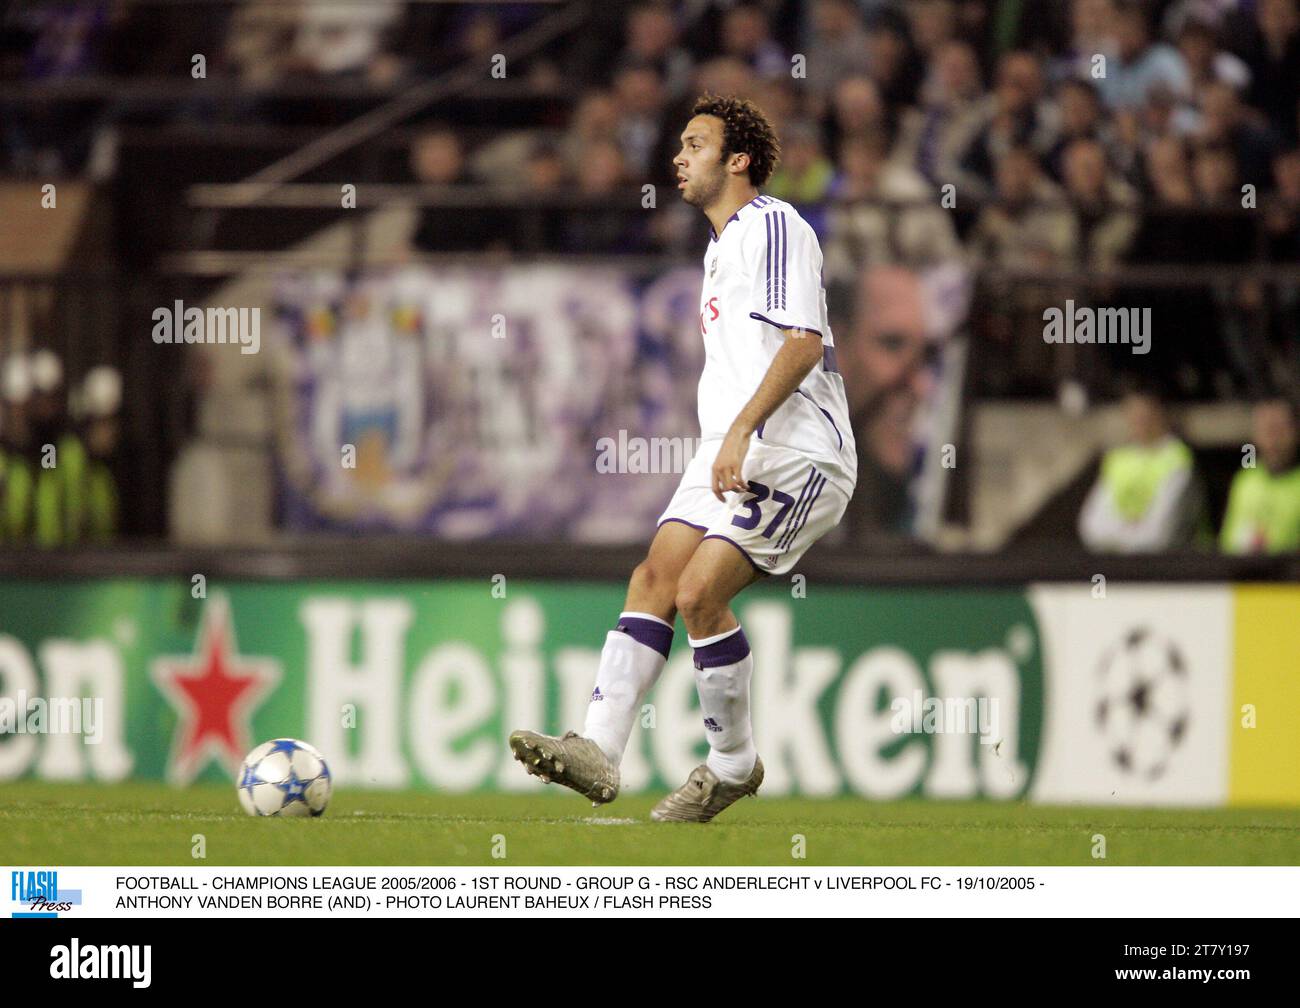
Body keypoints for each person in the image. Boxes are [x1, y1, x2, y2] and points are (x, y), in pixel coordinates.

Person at [508, 95, 856, 822]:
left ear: (738, 159)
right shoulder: (718, 246)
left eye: (695, 144)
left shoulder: (776, 223)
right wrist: (727, 438)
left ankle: (732, 766)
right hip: (730, 448)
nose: (678, 156)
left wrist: (740, 432)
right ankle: (598, 748)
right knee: (654, 576)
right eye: (679, 145)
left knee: (699, 593)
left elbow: (804, 342)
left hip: (797, 450)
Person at [1078, 387, 1205, 552]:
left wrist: (1118, 530)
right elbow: (1091, 529)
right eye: (1133, 414)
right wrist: (1132, 527)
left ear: (1160, 414)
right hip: (1121, 568)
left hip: (1175, 569)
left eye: (1144, 415)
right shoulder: (1118, 458)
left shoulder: (1178, 458)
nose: (1138, 421)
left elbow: (1158, 536)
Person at [1220, 397, 1300, 553]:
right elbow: (1228, 545)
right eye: (1266, 430)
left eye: (1279, 430)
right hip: (1244, 574)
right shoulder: (1244, 480)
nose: (1273, 440)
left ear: (1296, 432)